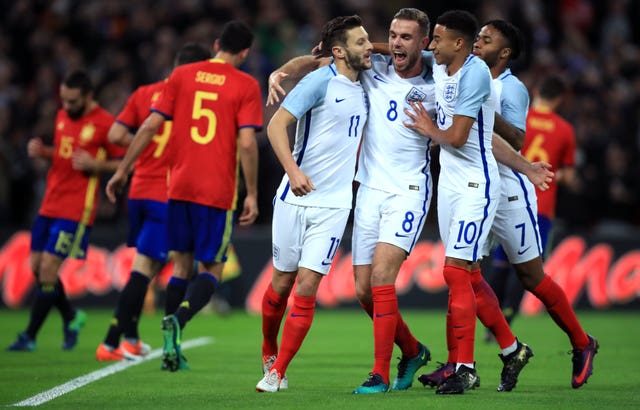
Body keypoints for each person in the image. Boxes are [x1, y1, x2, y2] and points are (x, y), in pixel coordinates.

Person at [266, 8, 436, 394]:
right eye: (391, 35)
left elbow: (458, 70)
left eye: (406, 37)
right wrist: (282, 72)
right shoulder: (370, 69)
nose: (394, 43)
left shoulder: (438, 80)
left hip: (408, 191)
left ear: (424, 44)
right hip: (368, 191)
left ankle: (379, 374)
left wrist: (438, 132)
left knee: (380, 280)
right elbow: (319, 56)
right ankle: (411, 350)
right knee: (362, 291)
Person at [421, 19, 596, 391]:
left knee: (531, 277)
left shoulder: (510, 88)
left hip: (509, 192)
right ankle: (458, 363)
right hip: (472, 186)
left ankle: (582, 343)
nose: (478, 41)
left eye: (486, 39)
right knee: (463, 271)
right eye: (477, 35)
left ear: (503, 53)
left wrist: (477, 108)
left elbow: (516, 138)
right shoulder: (459, 72)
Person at [403, 10, 553, 395]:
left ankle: (466, 368)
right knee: (467, 275)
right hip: (451, 183)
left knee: (455, 273)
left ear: (458, 43)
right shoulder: (442, 65)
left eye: (436, 38)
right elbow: (489, 135)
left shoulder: (474, 75)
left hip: (476, 186)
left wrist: (427, 128)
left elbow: (457, 137)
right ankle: (513, 349)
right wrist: (369, 47)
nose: (429, 45)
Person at [106, 20, 262, 372]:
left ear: (217, 43)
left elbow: (148, 126)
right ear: (245, 52)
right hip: (216, 191)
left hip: (176, 188)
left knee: (181, 266)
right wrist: (251, 193)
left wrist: (121, 170)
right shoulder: (245, 84)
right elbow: (248, 143)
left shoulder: (181, 76)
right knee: (213, 269)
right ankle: (178, 318)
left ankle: (169, 350)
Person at [255, 15, 372, 393]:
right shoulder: (320, 81)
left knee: (306, 287)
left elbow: (398, 52)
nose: (369, 47)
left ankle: (278, 372)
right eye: (360, 42)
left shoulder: (370, 81)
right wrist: (292, 171)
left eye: (369, 40)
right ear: (338, 51)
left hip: (336, 205)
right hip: (295, 198)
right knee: (281, 282)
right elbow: (275, 126)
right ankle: (268, 348)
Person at [95, 43, 212, 362]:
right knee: (157, 268)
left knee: (145, 264)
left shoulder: (145, 93)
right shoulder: (193, 100)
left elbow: (117, 135)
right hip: (167, 195)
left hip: (138, 192)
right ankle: (112, 342)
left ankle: (131, 338)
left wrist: (144, 146)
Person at [8, 70, 123, 352]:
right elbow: (64, 154)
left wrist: (99, 167)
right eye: (64, 100)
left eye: (73, 101)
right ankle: (71, 316)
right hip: (49, 204)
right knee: (37, 268)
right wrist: (44, 152)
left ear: (88, 96)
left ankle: (29, 336)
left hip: (75, 210)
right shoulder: (62, 117)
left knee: (48, 268)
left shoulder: (105, 124)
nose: (67, 106)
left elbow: (126, 162)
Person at [489, 75, 578, 325]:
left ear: (537, 90)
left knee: (501, 261)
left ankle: (490, 317)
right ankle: (508, 315)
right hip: (542, 205)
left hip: (509, 198)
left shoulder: (517, 118)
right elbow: (569, 176)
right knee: (529, 267)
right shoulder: (565, 129)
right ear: (560, 99)